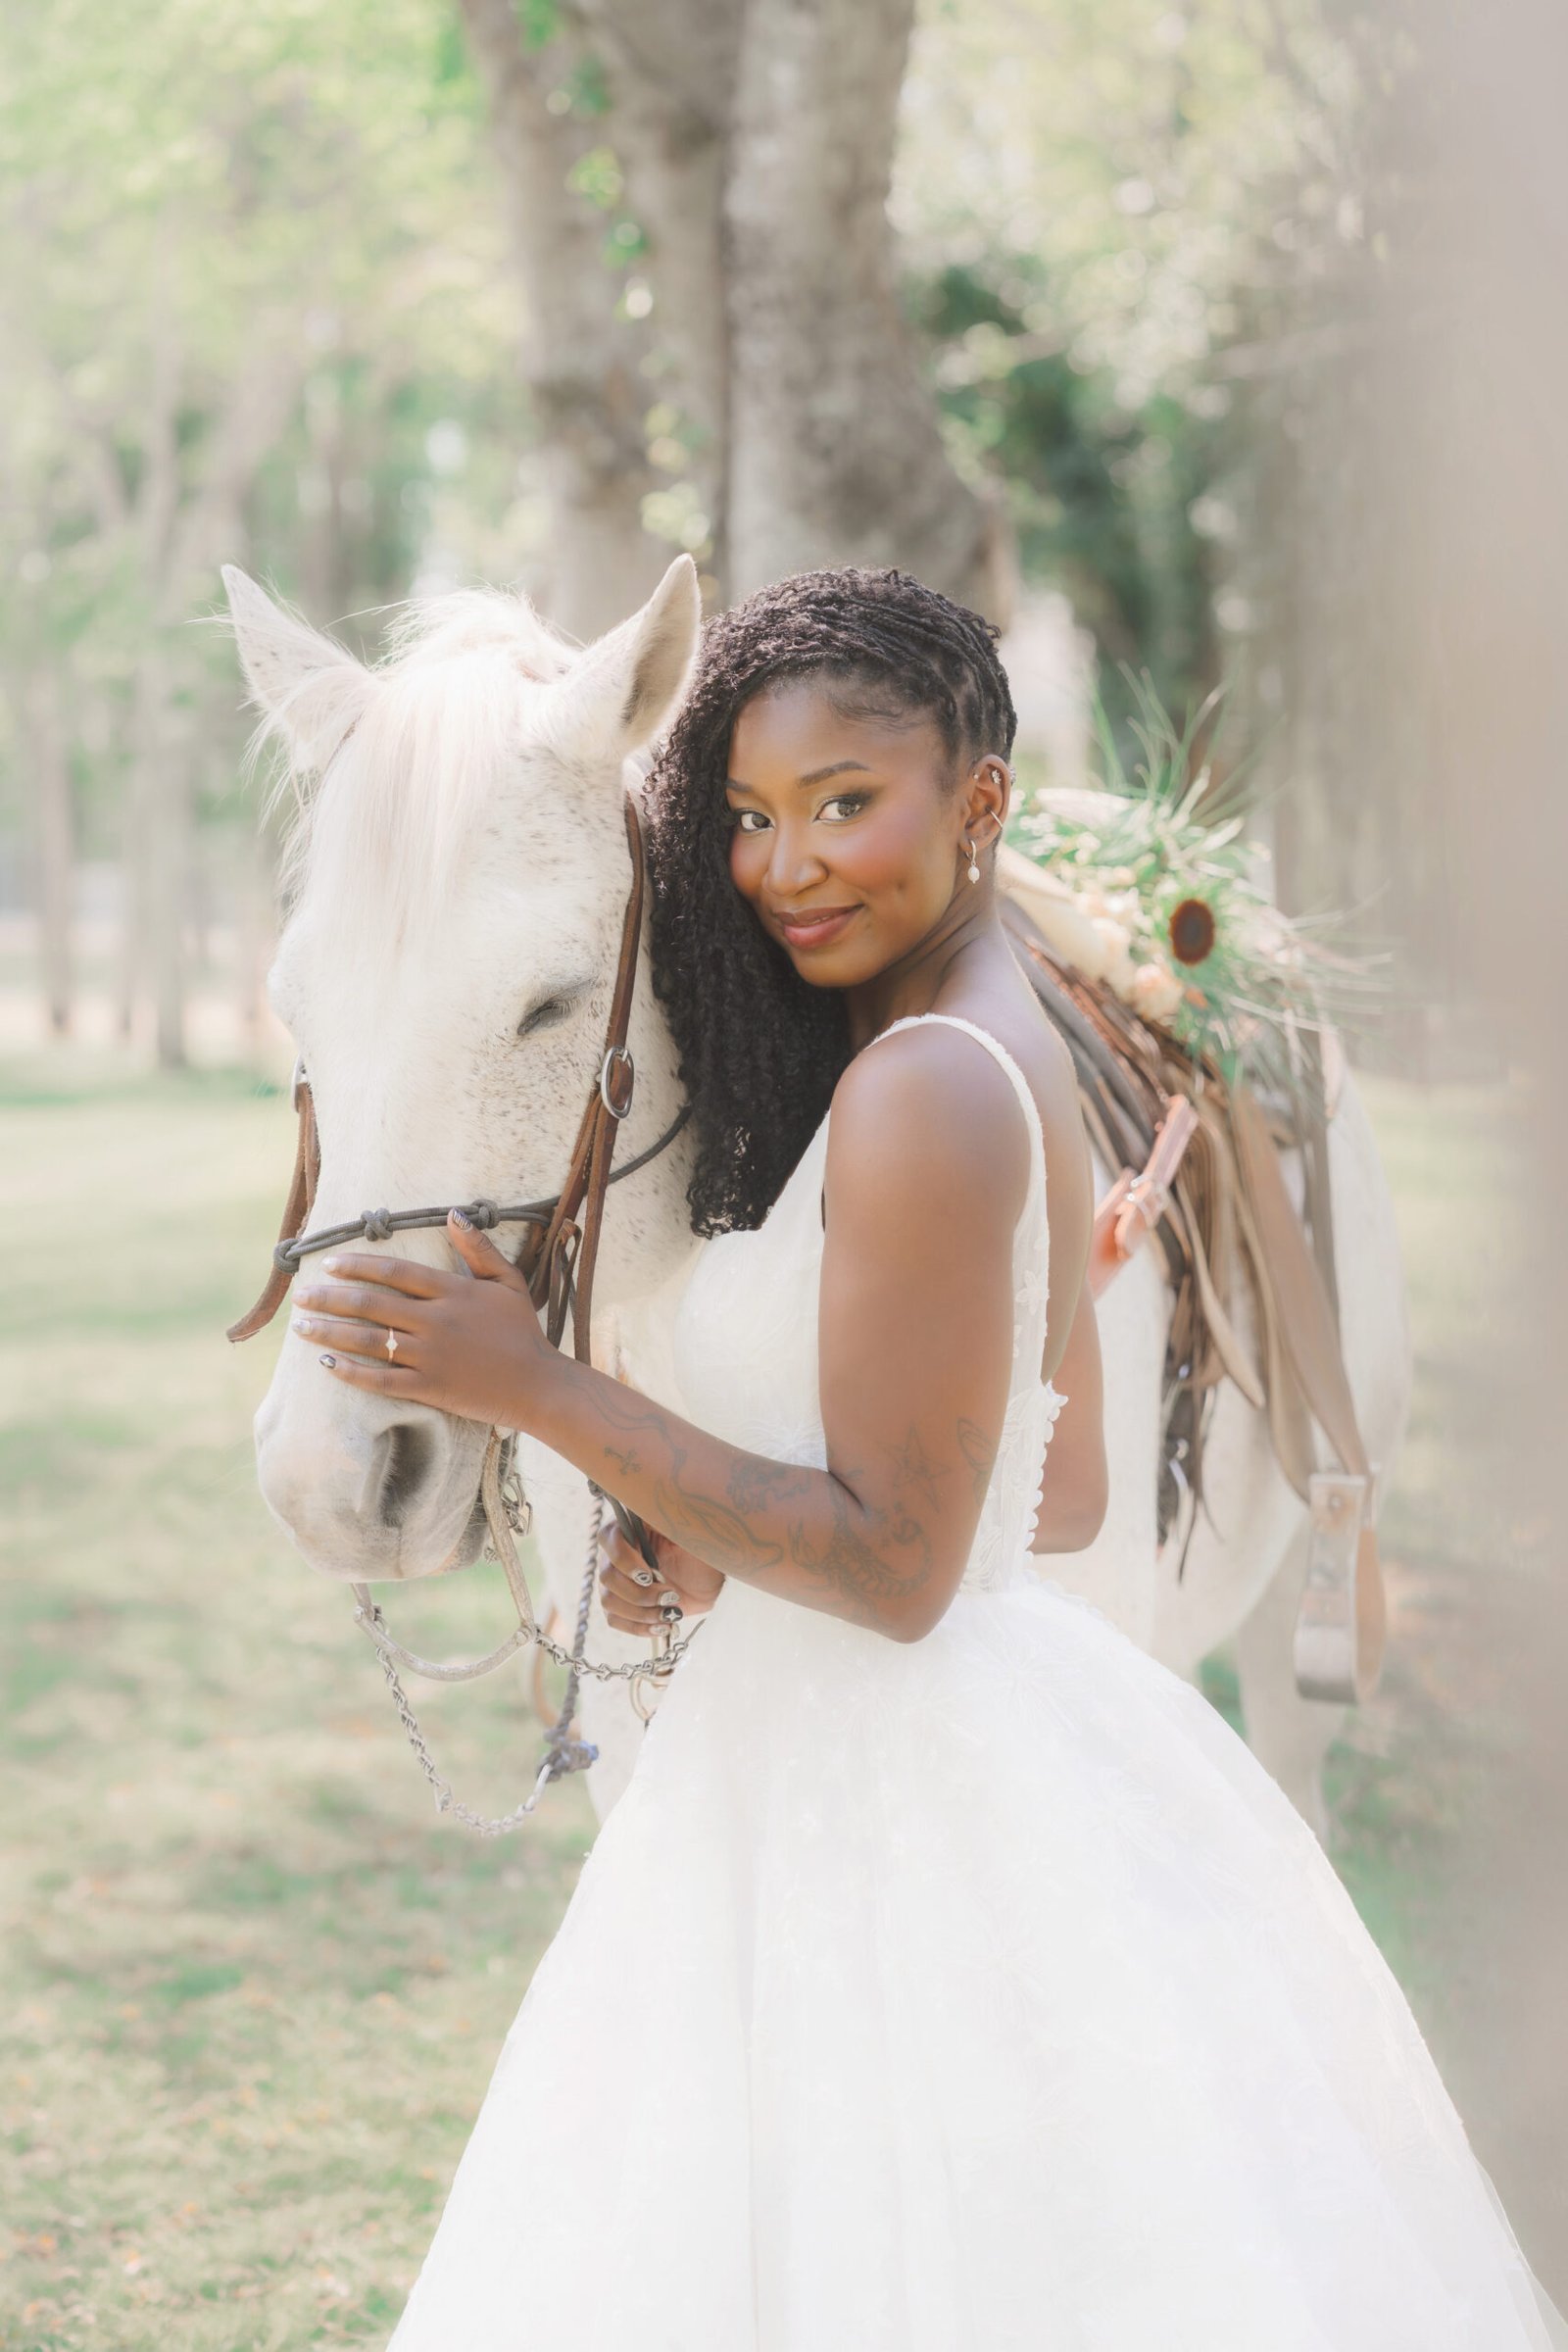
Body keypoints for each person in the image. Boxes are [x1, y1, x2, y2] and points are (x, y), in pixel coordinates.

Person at [293, 568, 1565, 2348]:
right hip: (856, 1758)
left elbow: (897, 1569)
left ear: (979, 803)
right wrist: (786, 1473)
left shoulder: (923, 1089)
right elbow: (1056, 1498)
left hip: (879, 1778)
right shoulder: (939, 1045)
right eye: (744, 816)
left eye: (842, 806)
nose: (786, 865)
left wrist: (539, 1392)